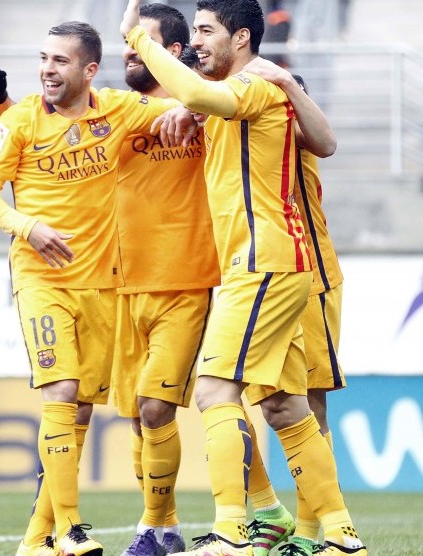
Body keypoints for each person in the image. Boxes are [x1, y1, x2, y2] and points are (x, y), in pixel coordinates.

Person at [120, 1, 367, 555]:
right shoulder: (231, 100)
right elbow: (206, 102)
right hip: (267, 264)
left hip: (270, 261)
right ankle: (341, 535)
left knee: (215, 391)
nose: (198, 41)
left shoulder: (254, 85)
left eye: (207, 31)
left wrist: (141, 40)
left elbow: (316, 139)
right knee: (283, 404)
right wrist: (196, 111)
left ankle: (232, 531)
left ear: (242, 38)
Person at [0, 20, 192, 556]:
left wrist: (198, 106)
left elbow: (181, 105)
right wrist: (30, 227)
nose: (47, 69)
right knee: (61, 394)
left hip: (104, 285)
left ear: (89, 70)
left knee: (84, 409)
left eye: (60, 61)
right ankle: (69, 529)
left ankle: (33, 541)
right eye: (43, 58)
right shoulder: (19, 120)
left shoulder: (115, 110)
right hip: (42, 279)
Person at [235, 61, 348, 556]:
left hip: (312, 279)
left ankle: (311, 531)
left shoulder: (295, 134)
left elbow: (325, 139)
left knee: (311, 405)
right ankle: (287, 521)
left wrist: (283, 84)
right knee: (275, 404)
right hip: (265, 275)